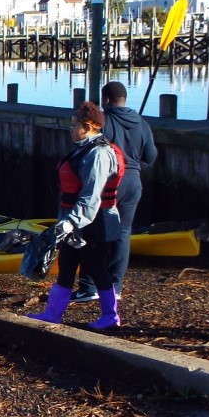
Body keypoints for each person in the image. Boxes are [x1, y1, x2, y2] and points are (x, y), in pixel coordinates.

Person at [28, 101, 125, 330]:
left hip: (95, 222)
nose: (70, 129)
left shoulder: (99, 154)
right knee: (67, 263)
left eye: (74, 125)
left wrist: (69, 224)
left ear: (89, 126)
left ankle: (111, 316)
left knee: (96, 266)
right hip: (78, 221)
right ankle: (52, 314)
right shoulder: (85, 148)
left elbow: (92, 197)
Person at [73, 81, 158, 301]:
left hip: (110, 182)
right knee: (122, 234)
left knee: (93, 232)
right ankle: (115, 287)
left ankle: (89, 287)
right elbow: (150, 157)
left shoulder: (105, 122)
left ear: (106, 100)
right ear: (124, 98)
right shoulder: (142, 123)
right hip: (133, 182)